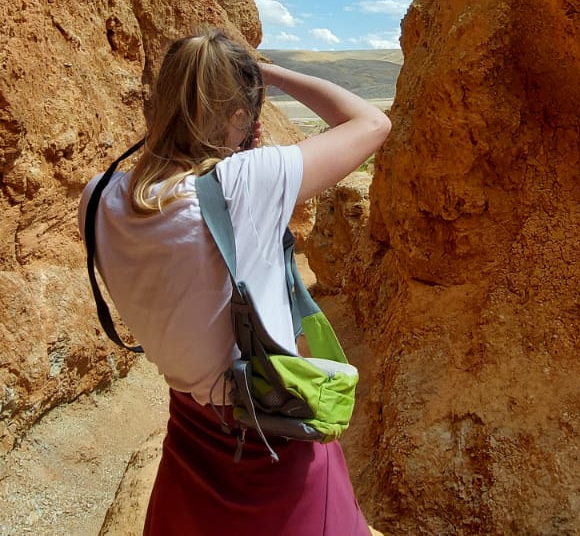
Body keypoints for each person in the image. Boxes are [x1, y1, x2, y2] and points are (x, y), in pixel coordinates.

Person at [80, 27, 390, 536]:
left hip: (189, 445)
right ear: (239, 117)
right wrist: (268, 73)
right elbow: (372, 122)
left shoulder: (97, 198)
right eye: (250, 116)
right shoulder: (243, 184)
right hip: (274, 442)